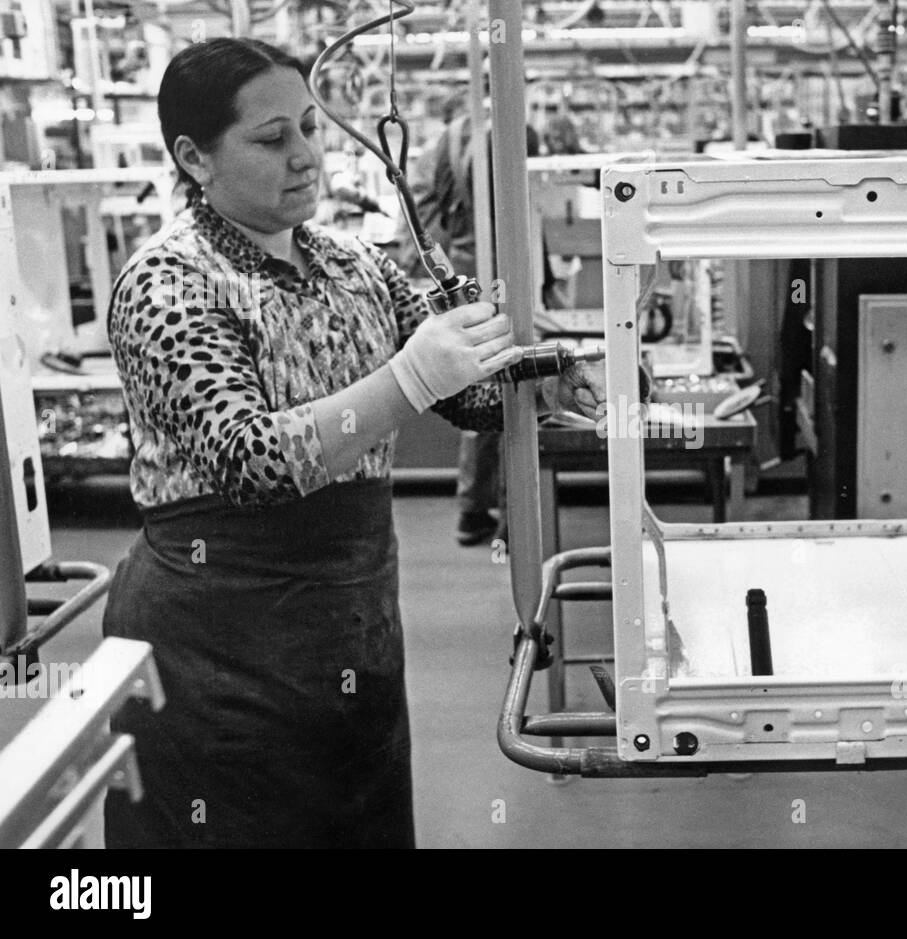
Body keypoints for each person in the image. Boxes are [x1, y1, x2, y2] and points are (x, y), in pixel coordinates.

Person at [100, 37, 605, 848]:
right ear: (194, 157)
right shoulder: (167, 284)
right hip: (217, 640)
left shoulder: (352, 266)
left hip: (350, 632)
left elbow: (468, 392)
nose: (306, 156)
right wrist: (405, 380)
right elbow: (248, 460)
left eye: (309, 126)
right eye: (272, 139)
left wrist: (541, 374)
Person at [401, 100, 558, 547]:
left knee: (482, 385)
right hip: (506, 270)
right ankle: (513, 517)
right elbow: (526, 209)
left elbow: (419, 211)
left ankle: (473, 509)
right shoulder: (509, 133)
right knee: (514, 387)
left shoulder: (442, 145)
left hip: (464, 275)